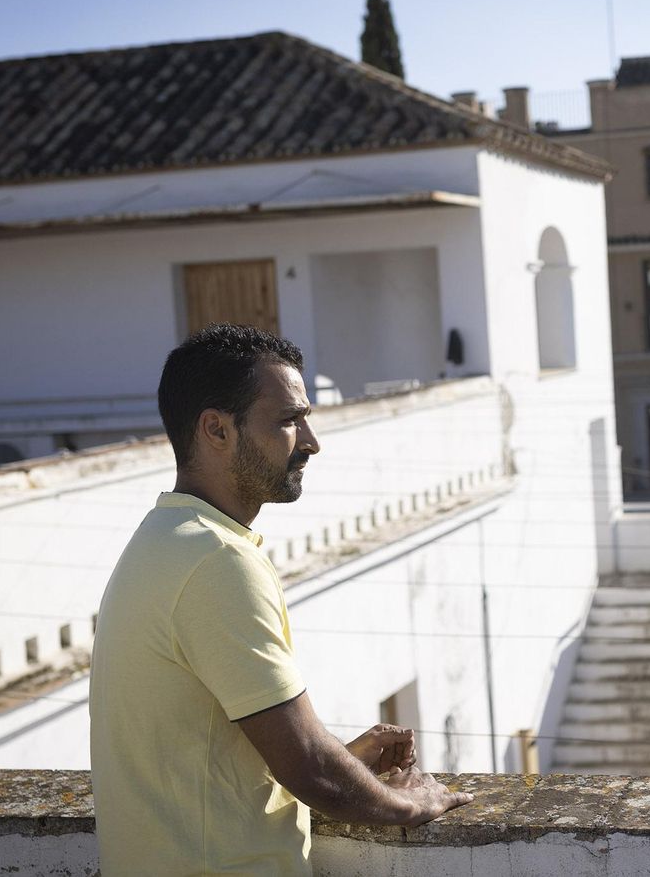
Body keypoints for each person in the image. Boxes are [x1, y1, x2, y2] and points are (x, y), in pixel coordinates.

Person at [90, 324, 471, 877]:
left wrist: (346, 763)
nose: (311, 442)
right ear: (217, 430)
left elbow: (220, 753)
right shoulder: (217, 562)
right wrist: (414, 802)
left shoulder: (163, 538)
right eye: (289, 421)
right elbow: (312, 771)